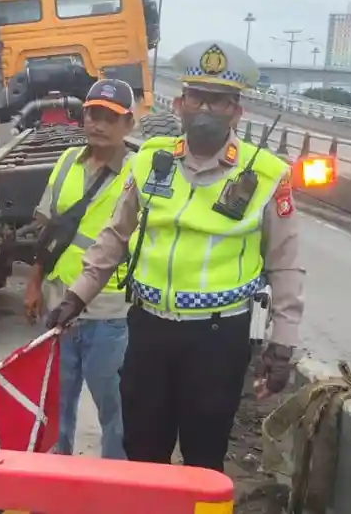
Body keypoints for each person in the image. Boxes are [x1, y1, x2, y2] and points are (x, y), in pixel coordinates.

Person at [45, 40, 305, 472]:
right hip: (148, 332)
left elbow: (286, 263)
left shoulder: (265, 175)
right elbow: (114, 237)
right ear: (180, 103)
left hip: (217, 339)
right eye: (197, 98)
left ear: (236, 112)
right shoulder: (149, 160)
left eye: (219, 102)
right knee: (143, 452)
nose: (205, 109)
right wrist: (75, 298)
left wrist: (282, 345)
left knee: (204, 456)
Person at [23, 79, 137, 459]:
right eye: (92, 114)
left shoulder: (139, 172)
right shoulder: (67, 162)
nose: (98, 124)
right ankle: (55, 480)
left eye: (109, 117)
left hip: (110, 313)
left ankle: (114, 484)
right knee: (56, 401)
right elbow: (47, 230)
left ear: (128, 125)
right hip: (59, 308)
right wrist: (34, 283)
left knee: (115, 409)